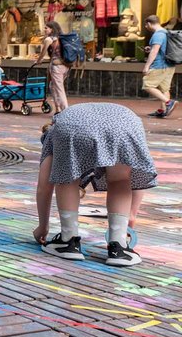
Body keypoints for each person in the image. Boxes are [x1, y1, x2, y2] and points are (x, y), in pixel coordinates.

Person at [35, 103, 155, 267]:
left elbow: (44, 187)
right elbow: (135, 176)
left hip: (74, 126)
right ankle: (119, 247)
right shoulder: (72, 118)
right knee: (120, 179)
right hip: (126, 124)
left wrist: (42, 227)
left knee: (67, 177)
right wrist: (130, 215)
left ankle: (68, 241)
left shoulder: (53, 133)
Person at [31, 20, 69, 113]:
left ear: (52, 29)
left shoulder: (49, 39)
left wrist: (38, 61)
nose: (44, 30)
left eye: (46, 28)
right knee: (52, 86)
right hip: (65, 66)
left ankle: (66, 111)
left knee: (59, 89)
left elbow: (43, 52)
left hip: (57, 67)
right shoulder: (60, 38)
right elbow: (57, 54)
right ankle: (58, 109)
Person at [143, 15, 176, 118]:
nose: (146, 27)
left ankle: (168, 102)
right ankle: (163, 110)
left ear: (149, 23)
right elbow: (160, 48)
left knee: (147, 85)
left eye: (146, 25)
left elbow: (155, 51)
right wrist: (151, 48)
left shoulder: (157, 35)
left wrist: (147, 66)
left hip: (159, 65)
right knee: (164, 89)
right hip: (170, 65)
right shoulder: (166, 33)